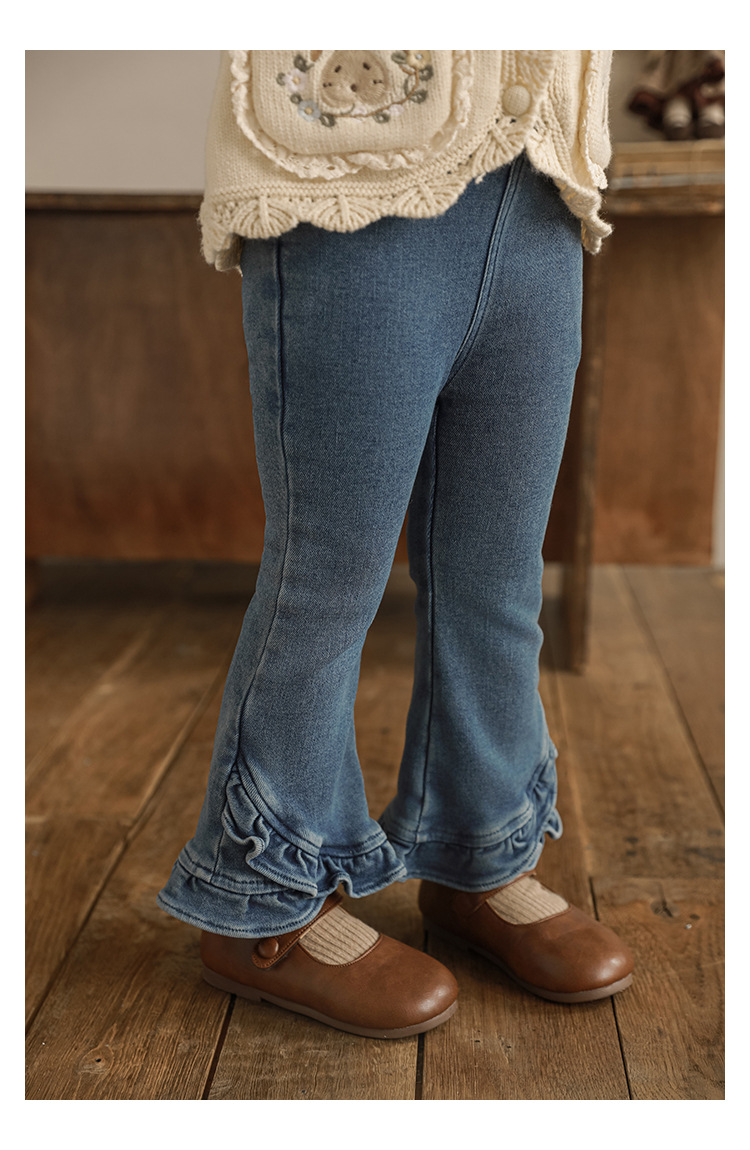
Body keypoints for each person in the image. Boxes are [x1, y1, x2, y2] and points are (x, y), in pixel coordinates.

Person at [157, 50, 633, 1039]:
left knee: (498, 577)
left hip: (542, 187)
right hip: (353, 177)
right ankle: (264, 893)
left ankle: (478, 852)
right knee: (327, 579)